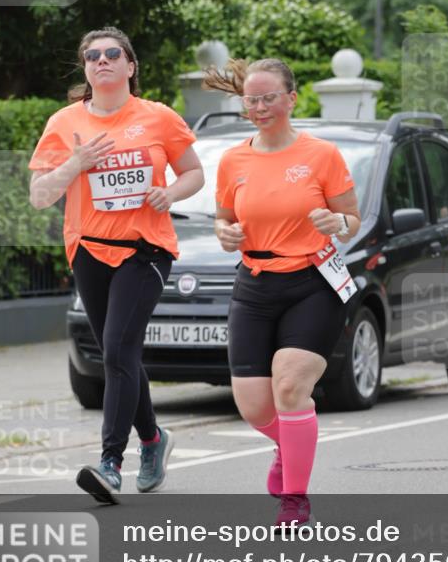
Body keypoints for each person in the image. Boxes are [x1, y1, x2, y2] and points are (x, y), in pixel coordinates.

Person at [29, 27, 204, 504]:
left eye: (112, 54)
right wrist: (76, 163)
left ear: (130, 66)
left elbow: (193, 172)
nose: (101, 60)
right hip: (88, 248)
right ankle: (153, 439)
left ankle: (110, 463)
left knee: (117, 346)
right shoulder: (64, 123)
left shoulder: (158, 118)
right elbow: (40, 195)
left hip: (145, 248)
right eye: (92, 55)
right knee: (119, 354)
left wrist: (170, 192)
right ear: (85, 68)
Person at [203, 57, 361, 528]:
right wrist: (223, 232)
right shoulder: (233, 160)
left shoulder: (322, 154)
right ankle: (287, 444)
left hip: (312, 282)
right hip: (254, 283)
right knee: (253, 405)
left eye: (270, 97)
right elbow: (224, 218)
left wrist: (337, 223)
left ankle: (295, 499)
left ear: (292, 98)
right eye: (252, 99)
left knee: (290, 387)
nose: (260, 106)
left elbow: (351, 221)